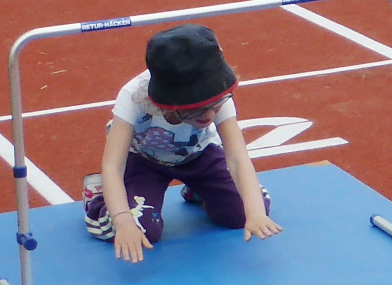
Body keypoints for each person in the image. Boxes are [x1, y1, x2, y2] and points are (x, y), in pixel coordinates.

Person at [81, 25, 280, 260]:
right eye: (194, 111)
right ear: (168, 103)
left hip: (200, 157)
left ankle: (199, 191)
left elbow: (237, 158)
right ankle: (98, 199)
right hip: (144, 161)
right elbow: (113, 166)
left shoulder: (216, 93)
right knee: (143, 230)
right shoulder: (133, 97)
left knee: (246, 211)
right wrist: (122, 220)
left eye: (214, 107)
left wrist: (255, 212)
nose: (209, 116)